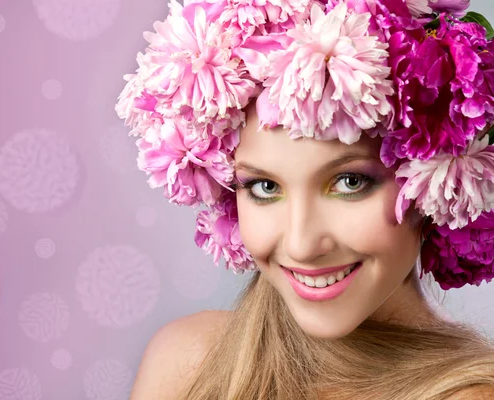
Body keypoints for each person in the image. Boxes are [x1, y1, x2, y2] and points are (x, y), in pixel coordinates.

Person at [115, 0, 494, 398]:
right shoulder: (186, 362)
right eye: (264, 187)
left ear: (436, 181)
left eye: (349, 182)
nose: (301, 245)